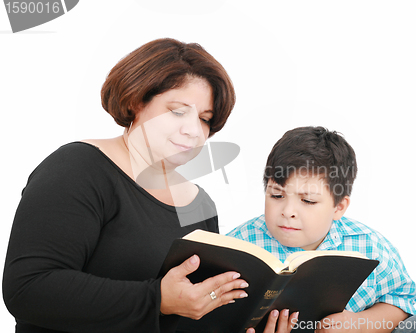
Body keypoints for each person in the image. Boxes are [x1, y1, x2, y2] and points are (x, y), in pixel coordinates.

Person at [2, 38, 291, 333]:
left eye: (205, 119)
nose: (193, 130)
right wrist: (158, 299)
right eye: (178, 111)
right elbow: (27, 288)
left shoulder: (200, 204)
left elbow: (191, 315)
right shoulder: (77, 168)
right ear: (135, 100)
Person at [228, 126, 416, 333]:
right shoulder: (239, 243)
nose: (288, 211)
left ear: (339, 207)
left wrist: (360, 323)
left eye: (308, 201)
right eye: (277, 195)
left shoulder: (369, 246)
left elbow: (401, 303)